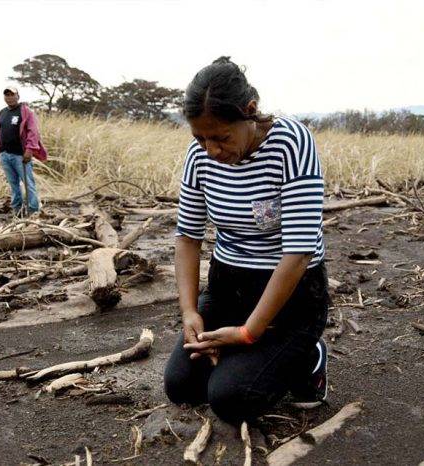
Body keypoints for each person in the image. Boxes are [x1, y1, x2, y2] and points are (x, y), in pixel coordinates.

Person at [163, 57, 330, 424]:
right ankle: (252, 354)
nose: (211, 150)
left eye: (221, 137)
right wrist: (191, 312)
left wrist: (249, 332)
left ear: (250, 112)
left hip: (291, 296)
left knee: (231, 399)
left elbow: (299, 252)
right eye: (200, 138)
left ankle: (310, 356)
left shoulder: (291, 143)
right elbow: (188, 238)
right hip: (228, 287)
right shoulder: (200, 156)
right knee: (181, 386)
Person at [0, 86, 48, 216]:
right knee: (13, 184)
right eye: (7, 95)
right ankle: (17, 210)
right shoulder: (1, 114)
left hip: (20, 156)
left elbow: (33, 132)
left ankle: (33, 211)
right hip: (5, 155)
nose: (9, 98)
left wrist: (30, 150)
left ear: (18, 96)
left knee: (29, 184)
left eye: (12, 95)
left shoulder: (26, 112)